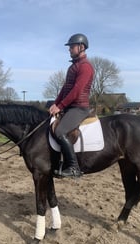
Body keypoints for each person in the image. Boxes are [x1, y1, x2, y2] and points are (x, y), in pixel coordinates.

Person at [49, 33, 94, 178]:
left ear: (81, 47)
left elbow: (77, 90)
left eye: (72, 47)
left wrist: (60, 106)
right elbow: (65, 88)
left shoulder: (85, 67)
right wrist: (55, 103)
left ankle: (73, 167)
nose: (69, 49)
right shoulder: (74, 67)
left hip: (79, 107)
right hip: (70, 106)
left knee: (60, 131)